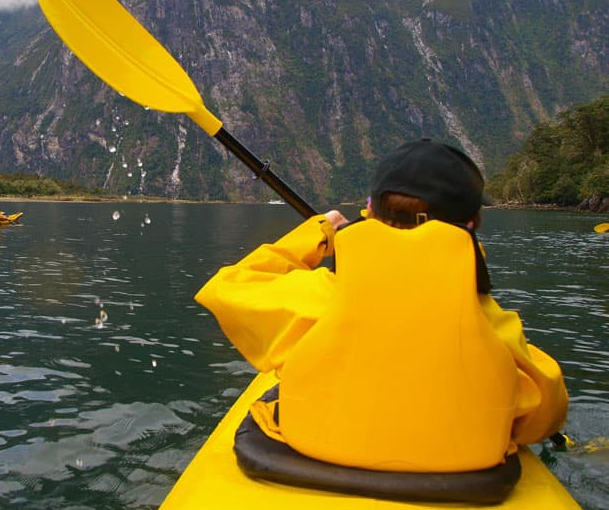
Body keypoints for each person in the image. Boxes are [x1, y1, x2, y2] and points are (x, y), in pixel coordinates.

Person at [195, 139, 568, 473]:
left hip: (317, 454)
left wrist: (320, 232)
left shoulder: (320, 300)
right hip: (461, 474)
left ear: (369, 213)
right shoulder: (491, 322)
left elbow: (225, 287)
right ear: (471, 225)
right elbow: (544, 411)